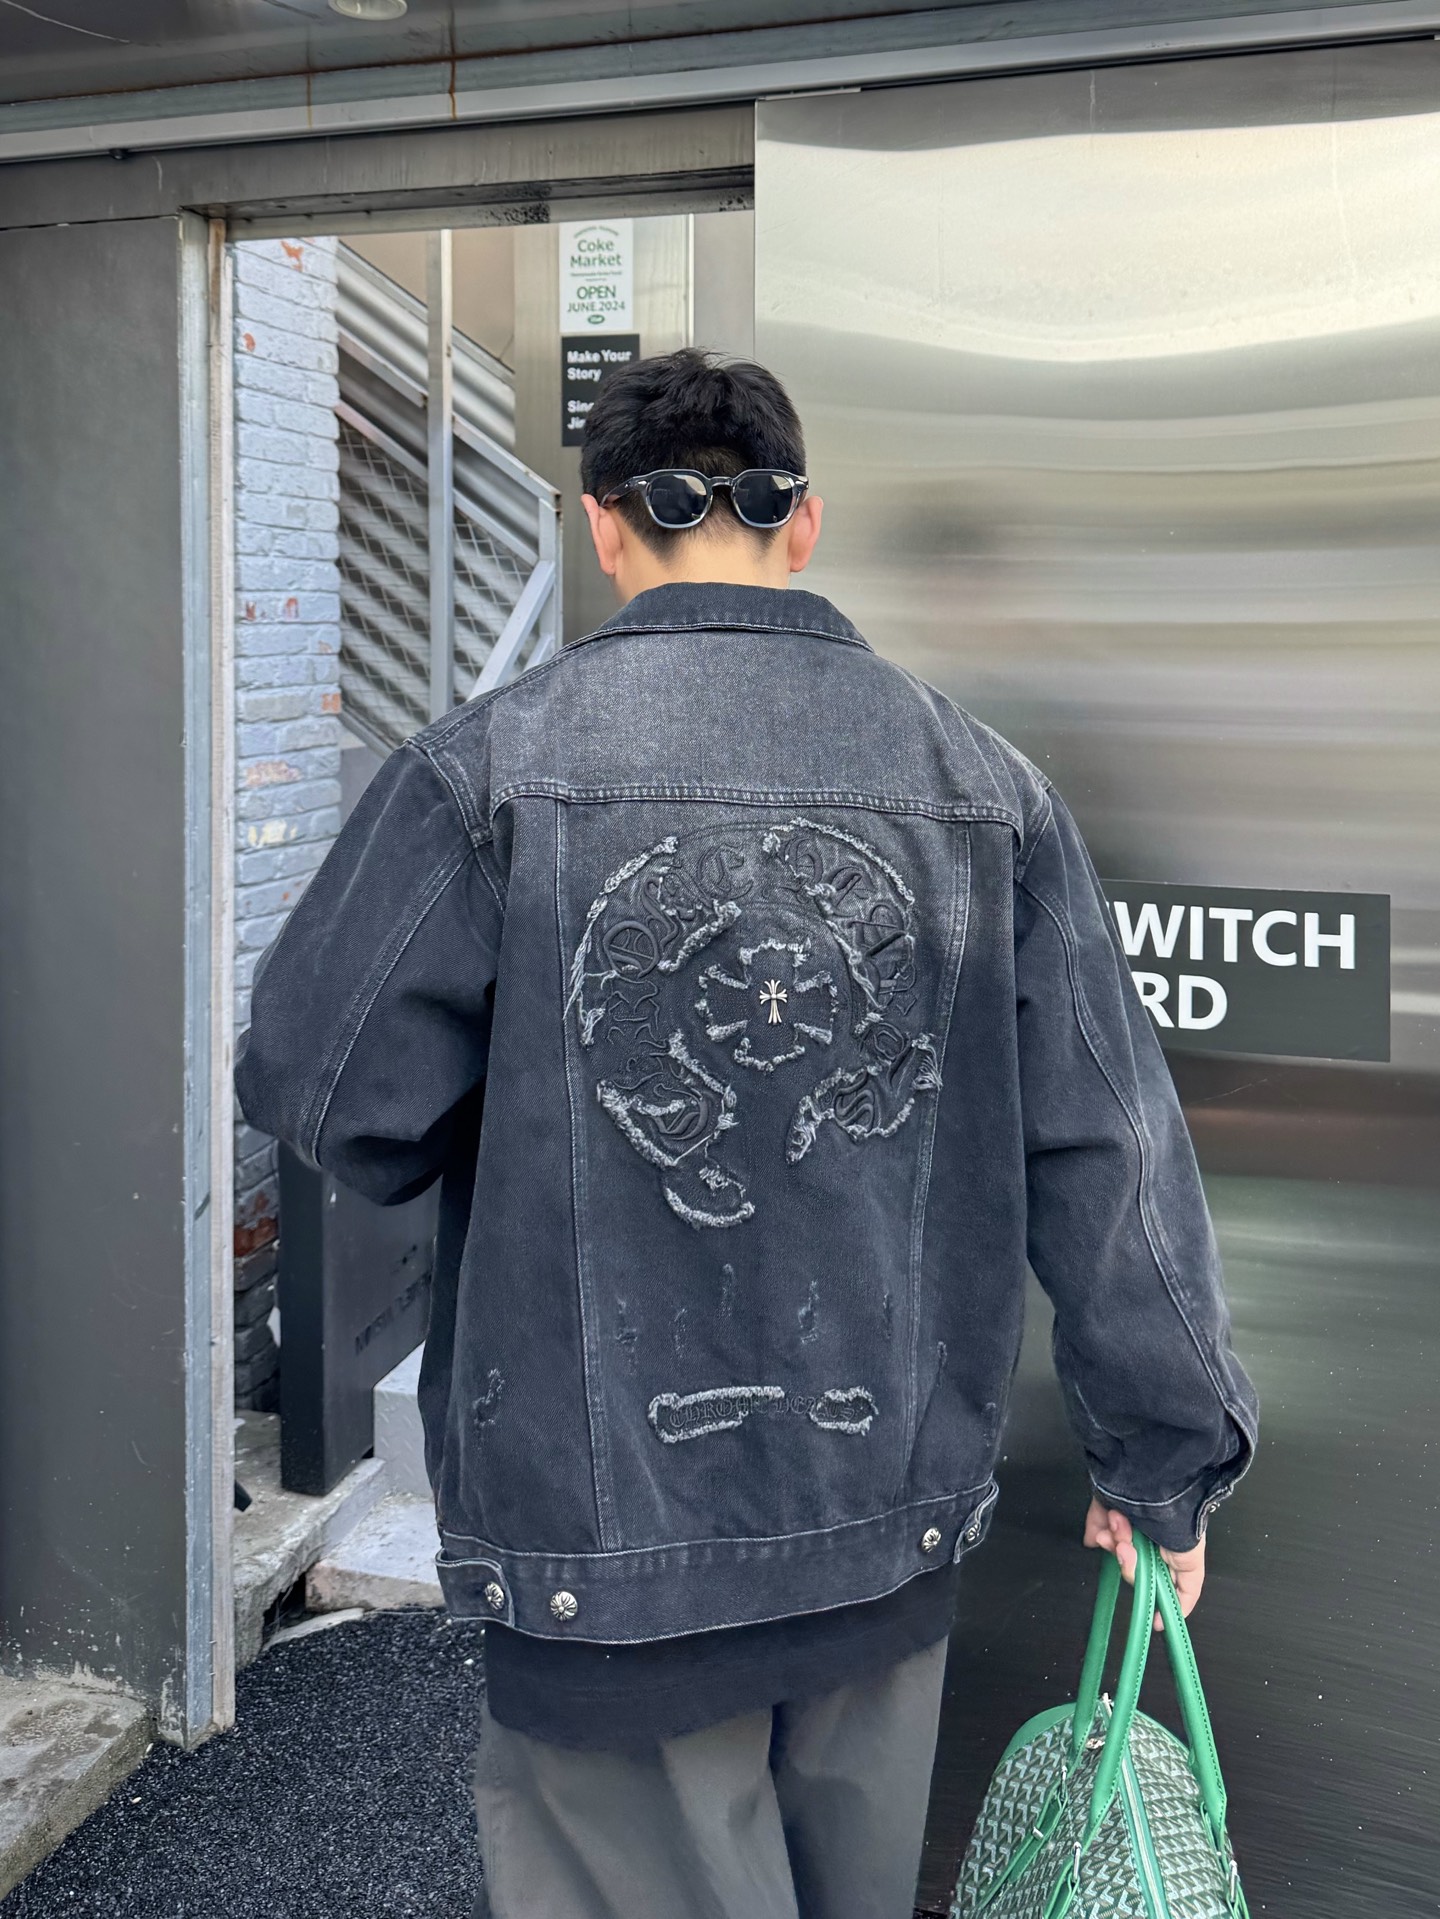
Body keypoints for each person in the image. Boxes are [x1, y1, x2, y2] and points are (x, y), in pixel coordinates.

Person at [235, 349, 1257, 1919]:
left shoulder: (488, 771)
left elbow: (329, 1099)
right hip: (886, 1523)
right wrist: (1165, 1453)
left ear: (602, 527)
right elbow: (1110, 1149)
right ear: (805, 523)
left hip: (603, 1554)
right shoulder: (986, 789)